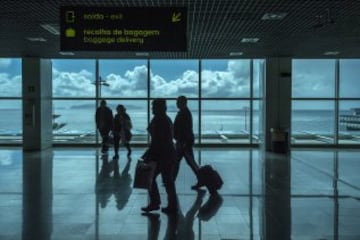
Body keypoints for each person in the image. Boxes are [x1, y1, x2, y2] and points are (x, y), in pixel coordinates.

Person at [141, 98, 178, 214]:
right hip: (166, 154)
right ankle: (168, 205)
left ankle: (157, 203)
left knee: (152, 178)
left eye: (153, 106)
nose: (152, 108)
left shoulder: (160, 120)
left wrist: (148, 154)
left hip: (162, 155)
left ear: (159, 108)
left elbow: (158, 141)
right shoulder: (163, 119)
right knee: (166, 181)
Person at [173, 96, 201, 190]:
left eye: (178, 102)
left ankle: (171, 180)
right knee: (187, 162)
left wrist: (183, 142)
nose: (176, 104)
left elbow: (185, 129)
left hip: (183, 142)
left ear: (183, 102)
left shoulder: (184, 113)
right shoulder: (184, 112)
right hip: (183, 141)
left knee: (186, 162)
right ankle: (171, 180)